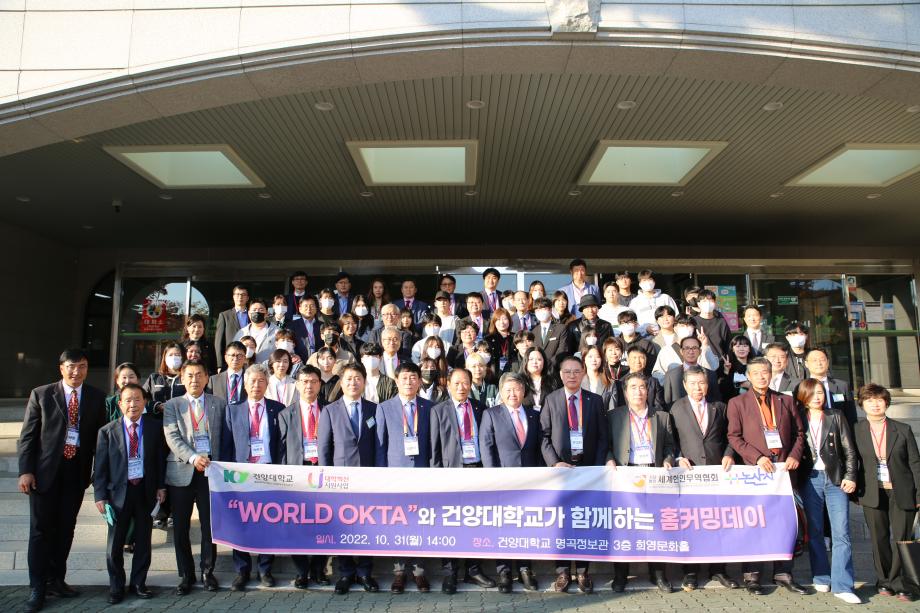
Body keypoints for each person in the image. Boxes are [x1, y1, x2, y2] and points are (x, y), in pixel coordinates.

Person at [18, 348, 107, 613]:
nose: (76, 371)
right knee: (40, 530)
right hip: (44, 474)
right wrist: (26, 470)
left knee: (66, 529)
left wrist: (98, 473)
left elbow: (99, 441)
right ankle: (38, 586)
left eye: (82, 366)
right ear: (61, 368)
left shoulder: (96, 397)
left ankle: (57, 579)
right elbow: (28, 436)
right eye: (71, 366)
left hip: (75, 473)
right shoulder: (42, 394)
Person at [726, 357, 806, 596]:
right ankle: (752, 575)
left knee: (784, 523)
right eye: (756, 373)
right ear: (748, 376)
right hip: (756, 471)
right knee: (754, 523)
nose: (761, 376)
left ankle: (783, 572)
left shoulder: (786, 400)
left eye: (765, 372)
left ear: (771, 374)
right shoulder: (737, 403)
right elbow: (734, 436)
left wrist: (794, 455)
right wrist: (757, 458)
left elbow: (799, 433)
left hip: (783, 471)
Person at [93, 382, 166, 604]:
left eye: (137, 399)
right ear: (120, 404)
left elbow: (160, 460)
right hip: (117, 494)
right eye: (128, 400)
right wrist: (100, 496)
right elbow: (100, 467)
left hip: (145, 491)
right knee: (115, 544)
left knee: (143, 541)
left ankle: (138, 583)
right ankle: (116, 586)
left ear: (144, 402)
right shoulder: (107, 431)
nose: (133, 404)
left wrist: (161, 486)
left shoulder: (154, 427)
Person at [669, 366, 740, 591]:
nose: (698, 388)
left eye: (702, 383)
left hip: (717, 473)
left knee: (717, 523)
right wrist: (678, 457)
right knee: (691, 524)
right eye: (693, 383)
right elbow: (671, 440)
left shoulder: (719, 407)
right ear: (685, 385)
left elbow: (731, 436)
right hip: (689, 475)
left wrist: (729, 454)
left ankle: (718, 569)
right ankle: (691, 571)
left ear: (708, 385)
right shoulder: (676, 408)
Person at [540, 356, 608, 593]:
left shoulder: (595, 400)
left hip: (587, 471)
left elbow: (603, 437)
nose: (572, 375)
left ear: (583, 374)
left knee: (584, 520)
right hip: (561, 472)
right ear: (560, 374)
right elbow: (544, 436)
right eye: (567, 371)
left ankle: (582, 571)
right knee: (561, 522)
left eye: (576, 371)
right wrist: (554, 462)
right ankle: (562, 572)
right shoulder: (551, 399)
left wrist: (596, 469)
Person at [605, 372, 677, 593]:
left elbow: (670, 446)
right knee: (623, 527)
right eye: (633, 387)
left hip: (653, 476)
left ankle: (658, 574)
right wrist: (609, 459)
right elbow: (606, 444)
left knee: (656, 526)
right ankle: (621, 575)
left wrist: (668, 459)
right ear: (625, 392)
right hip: (625, 475)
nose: (638, 391)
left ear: (648, 391)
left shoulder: (662, 417)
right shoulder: (613, 416)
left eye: (642, 387)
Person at [429, 368, 497, 593]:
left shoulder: (480, 408)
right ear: (448, 385)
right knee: (450, 525)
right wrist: (437, 477)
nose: (461, 387)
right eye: (457, 383)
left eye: (465, 382)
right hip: (452, 474)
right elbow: (434, 448)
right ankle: (450, 573)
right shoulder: (438, 410)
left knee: (476, 522)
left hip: (477, 471)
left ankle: (473, 570)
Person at [795, 378, 860, 604]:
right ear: (803, 396)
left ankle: (843, 584)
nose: (817, 397)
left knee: (841, 532)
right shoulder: (798, 417)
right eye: (812, 393)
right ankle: (821, 575)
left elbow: (849, 450)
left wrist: (851, 476)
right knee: (815, 531)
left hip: (835, 479)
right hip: (810, 479)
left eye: (821, 393)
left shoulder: (835, 416)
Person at [163, 360, 225, 596]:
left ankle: (207, 572)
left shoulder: (219, 403)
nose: (194, 380)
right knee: (181, 527)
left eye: (199, 375)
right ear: (182, 378)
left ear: (207, 378)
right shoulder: (173, 405)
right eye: (189, 375)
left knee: (209, 526)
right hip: (182, 472)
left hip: (211, 473)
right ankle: (186, 575)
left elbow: (225, 436)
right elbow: (172, 437)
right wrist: (192, 457)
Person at [853, 383, 920, 603]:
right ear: (862, 404)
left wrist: (919, 494)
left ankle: (902, 582)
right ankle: (884, 581)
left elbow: (915, 463)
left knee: (902, 538)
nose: (875, 404)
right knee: (878, 538)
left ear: (887, 403)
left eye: (879, 400)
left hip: (902, 491)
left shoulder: (902, 429)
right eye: (869, 400)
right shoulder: (857, 430)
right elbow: (853, 461)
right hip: (872, 491)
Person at [219, 364, 284, 591]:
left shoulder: (278, 409)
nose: (256, 385)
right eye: (252, 381)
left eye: (261, 381)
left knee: (268, 523)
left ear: (267, 384)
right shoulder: (232, 410)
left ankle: (265, 569)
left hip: (268, 473)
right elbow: (226, 446)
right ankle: (242, 570)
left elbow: (281, 445)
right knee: (241, 523)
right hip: (241, 475)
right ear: (245, 384)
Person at [317, 364, 380, 595]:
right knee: (342, 527)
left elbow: (379, 445)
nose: (353, 383)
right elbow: (324, 449)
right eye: (349, 379)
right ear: (341, 383)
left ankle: (364, 572)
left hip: (368, 480)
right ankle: (345, 572)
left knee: (367, 527)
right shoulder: (329, 411)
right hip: (340, 481)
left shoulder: (375, 409)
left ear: (364, 382)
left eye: (357, 378)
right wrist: (326, 480)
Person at [479, 372, 541, 593]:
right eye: (508, 390)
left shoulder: (534, 414)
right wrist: (493, 478)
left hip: (529, 482)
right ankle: (504, 572)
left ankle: (525, 569)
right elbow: (486, 447)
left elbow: (539, 447)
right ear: (501, 393)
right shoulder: (491, 414)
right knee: (503, 527)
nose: (513, 394)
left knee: (526, 526)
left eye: (517, 389)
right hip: (502, 482)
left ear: (523, 391)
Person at [375, 363, 432, 593]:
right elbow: (380, 445)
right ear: (396, 381)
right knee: (397, 524)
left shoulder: (429, 407)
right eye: (404, 378)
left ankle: (419, 572)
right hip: (395, 476)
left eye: (413, 377)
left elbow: (433, 443)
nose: (409, 382)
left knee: (420, 524)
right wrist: (382, 475)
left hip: (423, 475)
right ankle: (399, 572)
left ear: (419, 381)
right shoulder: (384, 408)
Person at [278, 365, 330, 589]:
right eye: (304, 381)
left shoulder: (329, 410)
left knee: (324, 523)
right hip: (297, 475)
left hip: (323, 473)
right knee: (297, 524)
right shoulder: (285, 414)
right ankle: (302, 571)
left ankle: (319, 569)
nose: (309, 386)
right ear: (297, 385)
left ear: (320, 384)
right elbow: (281, 450)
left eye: (313, 381)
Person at [798, 348, 857, 426]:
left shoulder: (842, 386)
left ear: (828, 362)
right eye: (814, 360)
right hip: (811, 429)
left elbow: (851, 416)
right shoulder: (800, 386)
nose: (819, 363)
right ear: (806, 364)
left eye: (822, 360)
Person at [663, 336, 721, 409]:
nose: (691, 351)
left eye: (694, 348)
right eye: (687, 348)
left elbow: (716, 402)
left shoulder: (710, 374)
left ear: (700, 351)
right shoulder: (671, 375)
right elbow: (667, 402)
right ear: (681, 351)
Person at [143, 342, 186, 416]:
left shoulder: (187, 378)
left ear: (183, 358)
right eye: (170, 355)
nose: (174, 357)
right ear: (165, 358)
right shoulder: (154, 378)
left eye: (177, 355)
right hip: (157, 420)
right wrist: (156, 406)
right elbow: (141, 398)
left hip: (182, 419)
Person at [232, 298, 278, 364]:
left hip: (267, 369)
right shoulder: (241, 333)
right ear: (249, 313)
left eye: (261, 310)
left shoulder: (277, 332)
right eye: (254, 310)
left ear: (266, 313)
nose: (257, 312)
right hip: (246, 369)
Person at [215, 285, 249, 371]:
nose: (240, 297)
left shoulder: (252, 315)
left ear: (247, 298)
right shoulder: (225, 315)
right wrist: (219, 364)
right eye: (237, 294)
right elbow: (219, 342)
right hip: (231, 360)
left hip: (249, 359)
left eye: (243, 294)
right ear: (233, 297)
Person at [532, 297, 570, 368]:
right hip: (539, 369)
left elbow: (562, 350)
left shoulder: (561, 328)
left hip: (555, 368)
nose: (540, 312)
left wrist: (549, 365)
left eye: (543, 309)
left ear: (550, 310)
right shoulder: (534, 332)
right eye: (537, 310)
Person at [692, 289, 731, 358]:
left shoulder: (721, 322)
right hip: (699, 361)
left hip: (720, 361)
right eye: (704, 301)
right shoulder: (693, 322)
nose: (708, 303)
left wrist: (727, 359)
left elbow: (728, 344)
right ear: (699, 304)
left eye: (710, 301)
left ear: (715, 303)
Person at [617, 310, 658, 375]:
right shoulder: (615, 343)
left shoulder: (645, 344)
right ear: (619, 325)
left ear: (636, 324)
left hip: (640, 378)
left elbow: (651, 366)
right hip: (619, 379)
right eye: (623, 323)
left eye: (629, 322)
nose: (626, 325)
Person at [719, 335, 753, 400]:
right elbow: (723, 390)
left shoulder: (755, 366)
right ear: (732, 349)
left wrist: (750, 386)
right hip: (733, 402)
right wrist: (726, 371)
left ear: (749, 349)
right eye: (738, 346)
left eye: (745, 346)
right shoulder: (726, 365)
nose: (741, 349)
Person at [521, 347, 556, 411]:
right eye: (531, 359)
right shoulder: (519, 381)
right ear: (526, 361)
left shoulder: (552, 381)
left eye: (539, 359)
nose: (534, 362)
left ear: (544, 362)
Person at [485, 307, 515, 372]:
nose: (502, 322)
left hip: (513, 372)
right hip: (494, 372)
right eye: (498, 319)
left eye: (504, 319)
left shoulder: (515, 337)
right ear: (494, 322)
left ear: (509, 321)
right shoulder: (488, 339)